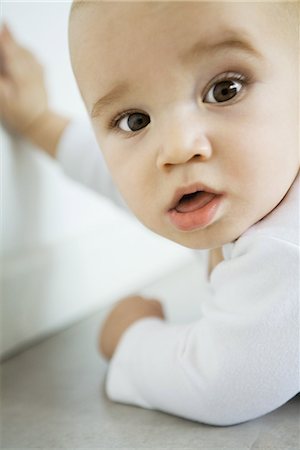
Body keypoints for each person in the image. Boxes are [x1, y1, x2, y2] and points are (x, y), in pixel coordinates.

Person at [1, 0, 299, 426]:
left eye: (224, 90)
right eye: (135, 121)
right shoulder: (241, 181)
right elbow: (113, 176)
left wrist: (131, 338)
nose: (177, 148)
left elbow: (218, 385)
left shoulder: (287, 250)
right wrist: (37, 121)